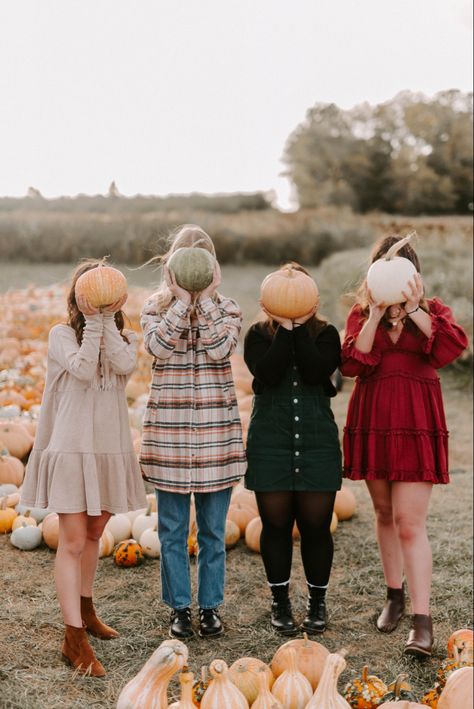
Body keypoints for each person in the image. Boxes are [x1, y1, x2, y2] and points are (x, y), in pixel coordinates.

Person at [340, 235, 468, 657]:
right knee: (382, 512)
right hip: (374, 418)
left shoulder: (433, 313)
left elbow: (449, 349)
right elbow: (352, 364)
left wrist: (413, 311)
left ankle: (422, 620)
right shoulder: (361, 316)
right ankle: (393, 595)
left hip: (415, 421)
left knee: (410, 523)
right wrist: (376, 315)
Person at [21, 260, 147, 677]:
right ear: (78, 297)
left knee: (95, 532)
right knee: (73, 540)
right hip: (74, 448)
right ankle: (73, 637)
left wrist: (107, 322)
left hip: (109, 448)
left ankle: (87, 611)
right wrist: (94, 323)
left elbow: (123, 366)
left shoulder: (124, 337)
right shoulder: (61, 336)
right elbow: (81, 368)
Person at [139, 224, 246, 640]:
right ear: (171, 267)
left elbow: (222, 348)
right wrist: (182, 303)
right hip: (169, 438)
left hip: (215, 438)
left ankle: (211, 607)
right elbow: (158, 347)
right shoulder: (154, 307)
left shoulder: (230, 308)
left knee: (214, 533)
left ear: (213, 266)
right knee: (171, 531)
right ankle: (180, 607)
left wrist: (206, 303)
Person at [244, 263, 342, 635]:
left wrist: (300, 328)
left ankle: (317, 603)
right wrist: (284, 329)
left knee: (317, 528)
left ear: (312, 298)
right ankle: (280, 601)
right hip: (271, 440)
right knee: (276, 526)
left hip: (316, 442)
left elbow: (319, 372)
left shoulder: (327, 334)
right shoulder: (257, 335)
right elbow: (267, 373)